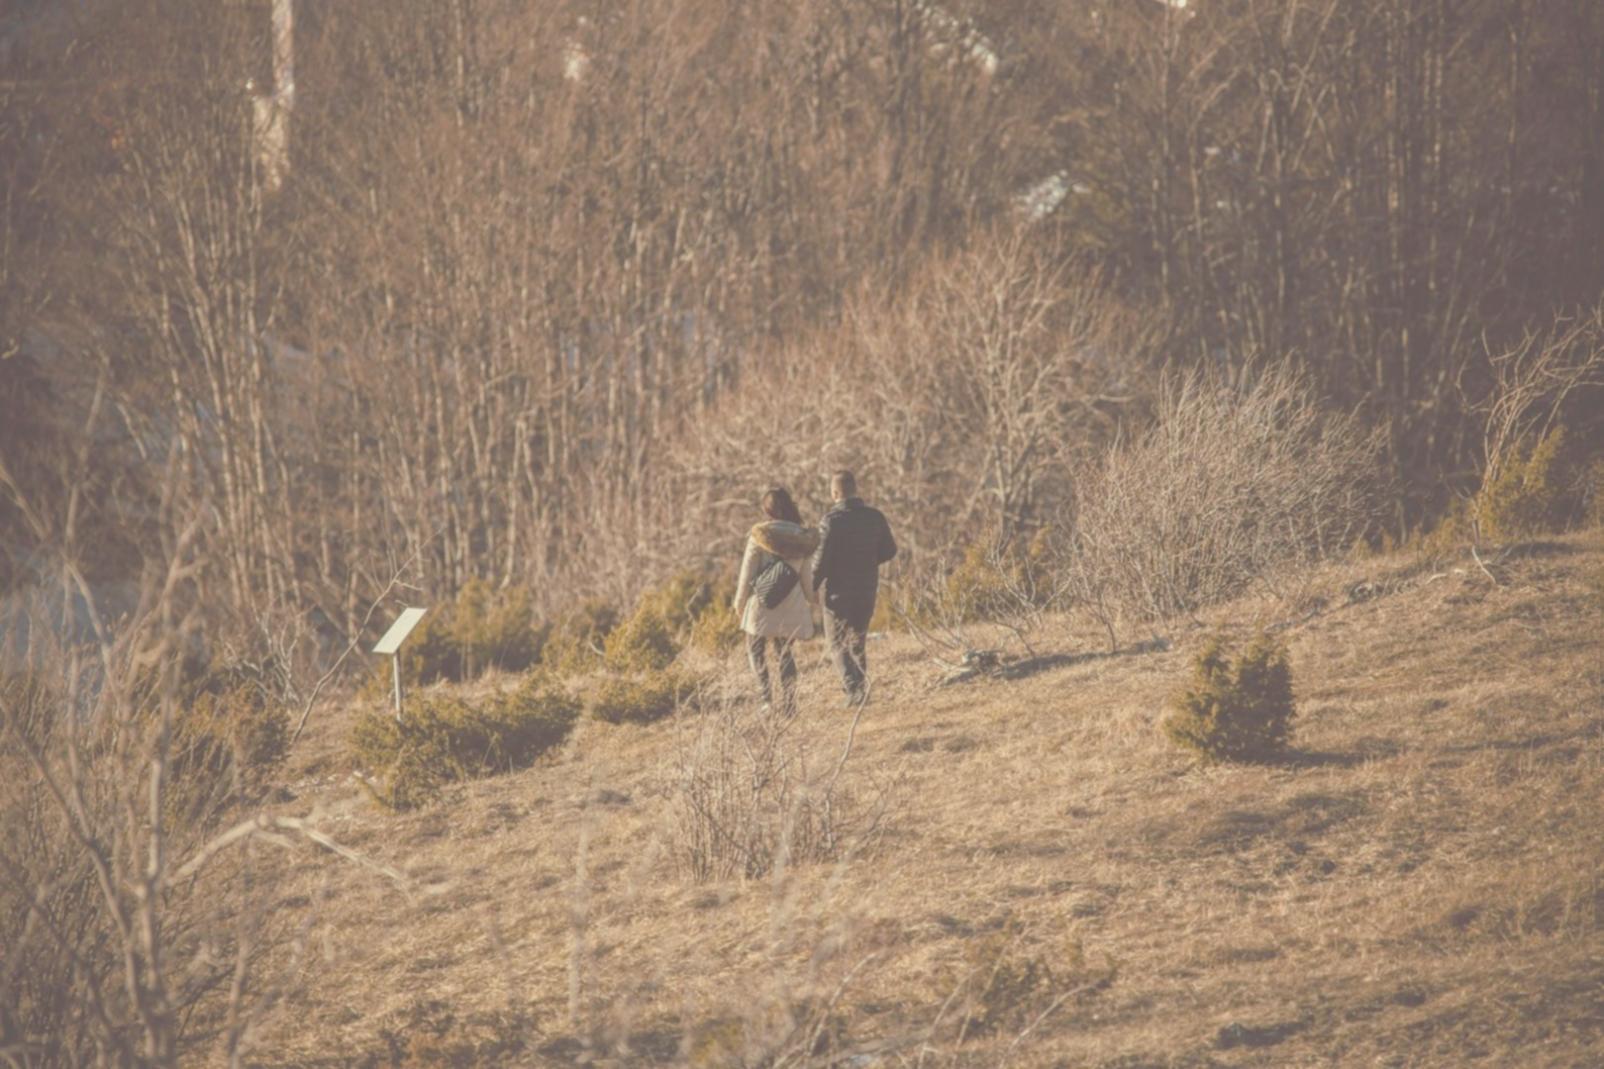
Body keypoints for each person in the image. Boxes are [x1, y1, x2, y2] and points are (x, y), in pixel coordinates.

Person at [732, 487, 820, 715]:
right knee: (784, 653)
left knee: (755, 649)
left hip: (761, 603)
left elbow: (746, 573)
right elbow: (806, 577)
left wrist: (739, 603)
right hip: (790, 604)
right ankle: (789, 704)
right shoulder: (802, 537)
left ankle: (766, 701)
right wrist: (812, 600)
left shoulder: (759, 535)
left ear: (767, 510)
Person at [811, 470, 896, 705]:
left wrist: (810, 587)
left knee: (837, 642)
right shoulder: (875, 517)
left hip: (837, 592)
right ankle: (860, 687)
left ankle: (853, 690)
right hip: (867, 587)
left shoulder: (831, 522)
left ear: (835, 492)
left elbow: (820, 562)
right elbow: (890, 550)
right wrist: (867, 562)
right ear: (855, 489)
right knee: (858, 639)